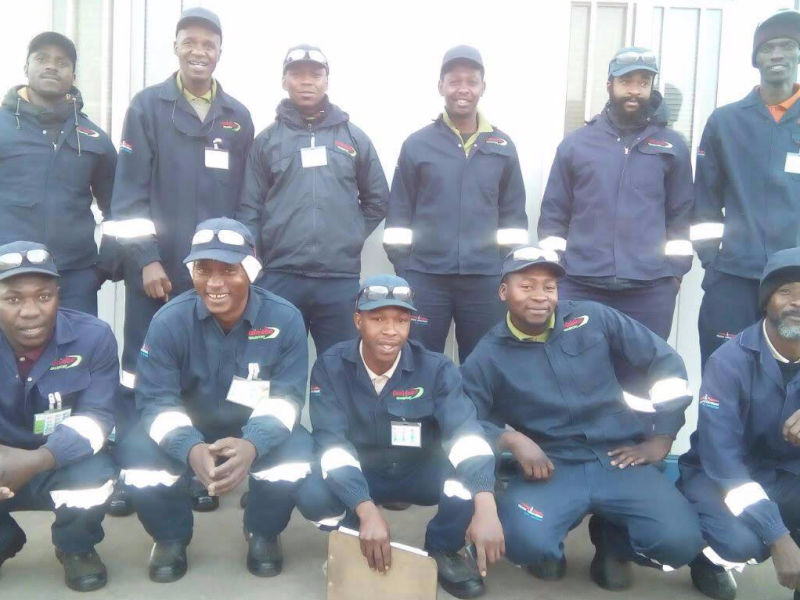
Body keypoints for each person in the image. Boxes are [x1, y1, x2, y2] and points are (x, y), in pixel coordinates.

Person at [461, 246, 703, 591]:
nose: (540, 296)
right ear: (503, 292)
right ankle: (547, 546)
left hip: (618, 456)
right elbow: (465, 420)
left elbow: (664, 362)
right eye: (526, 286)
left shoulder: (593, 317)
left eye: (549, 287)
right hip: (552, 465)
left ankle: (613, 544)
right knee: (521, 543)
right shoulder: (488, 354)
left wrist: (663, 437)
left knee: (681, 542)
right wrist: (509, 439)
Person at [109, 6, 254, 512]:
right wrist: (146, 259)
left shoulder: (237, 117)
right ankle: (133, 469)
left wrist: (237, 268)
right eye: (189, 41)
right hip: (159, 272)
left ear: (220, 52)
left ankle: (199, 468)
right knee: (140, 370)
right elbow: (128, 196)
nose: (199, 51)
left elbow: (246, 200)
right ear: (175, 47)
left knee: (203, 370)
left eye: (208, 44)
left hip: (214, 276)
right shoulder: (148, 107)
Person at [114, 218, 314, 583]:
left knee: (297, 450)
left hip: (253, 428)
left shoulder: (284, 318)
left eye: (229, 270)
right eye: (203, 270)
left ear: (250, 270)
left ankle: (263, 530)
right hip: (188, 427)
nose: (215, 283)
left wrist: (253, 444)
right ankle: (170, 537)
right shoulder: (169, 321)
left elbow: (286, 399)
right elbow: (155, 400)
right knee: (137, 451)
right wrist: (190, 448)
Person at [302, 274, 505, 598]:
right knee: (312, 491)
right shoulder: (330, 367)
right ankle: (352, 532)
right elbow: (332, 444)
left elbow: (464, 434)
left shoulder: (436, 369)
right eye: (377, 318)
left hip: (418, 469)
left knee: (470, 476)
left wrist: (486, 502)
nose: (390, 330)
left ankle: (443, 547)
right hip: (361, 471)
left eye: (401, 320)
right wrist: (365, 508)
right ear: (358, 320)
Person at [237, 44, 388, 355]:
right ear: (284, 81)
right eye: (297, 74)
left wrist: (349, 233)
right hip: (279, 278)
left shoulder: (353, 138)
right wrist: (256, 262)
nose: (306, 81)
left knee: (341, 367)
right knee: (270, 362)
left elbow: (378, 200)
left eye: (315, 75)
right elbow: (249, 209)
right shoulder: (266, 141)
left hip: (338, 280)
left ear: (327, 81)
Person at [383, 45, 527, 363]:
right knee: (419, 362)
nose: (463, 89)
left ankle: (473, 403)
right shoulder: (417, 144)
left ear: (482, 87)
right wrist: (407, 269)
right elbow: (398, 215)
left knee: (482, 363)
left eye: (471, 81)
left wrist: (503, 270)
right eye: (454, 81)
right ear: (441, 86)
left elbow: (514, 218)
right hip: (426, 277)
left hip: (484, 280)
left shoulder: (502, 146)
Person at [537, 47, 693, 341]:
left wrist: (673, 273)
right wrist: (557, 268)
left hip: (650, 289)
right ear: (610, 85)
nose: (634, 90)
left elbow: (681, 215)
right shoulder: (576, 145)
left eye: (643, 83)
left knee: (644, 368)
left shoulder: (672, 147)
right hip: (581, 285)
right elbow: (554, 215)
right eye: (626, 81)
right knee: (578, 364)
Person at [678, 247, 800, 600]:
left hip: (786, 473)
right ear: (766, 302)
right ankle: (708, 560)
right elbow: (724, 462)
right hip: (722, 477)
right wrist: (778, 537)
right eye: (785, 291)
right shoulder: (729, 362)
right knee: (744, 542)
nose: (797, 302)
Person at [0, 241, 118, 591]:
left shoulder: (93, 337)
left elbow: (97, 417)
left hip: (61, 458)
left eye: (43, 296)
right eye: (13, 299)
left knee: (96, 473)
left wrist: (38, 459)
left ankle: (76, 546)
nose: (30, 311)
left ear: (58, 295)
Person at [693, 9, 800, 369]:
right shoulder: (725, 122)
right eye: (768, 48)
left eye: (787, 46)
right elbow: (704, 201)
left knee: (790, 377)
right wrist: (713, 262)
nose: (777, 55)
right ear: (756, 59)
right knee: (723, 369)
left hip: (795, 278)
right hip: (733, 278)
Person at [0, 32, 117, 315]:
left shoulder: (94, 138)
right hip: (8, 273)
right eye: (42, 59)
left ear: (73, 76)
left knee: (78, 343)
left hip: (74, 279)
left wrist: (105, 264)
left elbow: (118, 209)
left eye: (62, 62)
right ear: (26, 67)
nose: (51, 66)